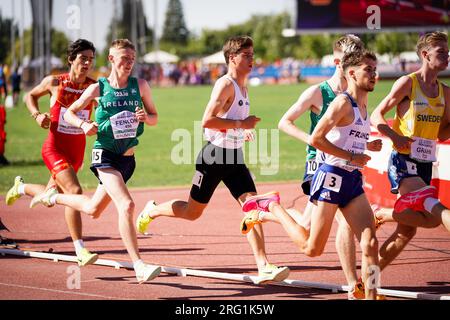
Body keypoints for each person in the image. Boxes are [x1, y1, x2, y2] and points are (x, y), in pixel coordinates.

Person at [135, 35, 290, 285]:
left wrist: (242, 130)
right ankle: (153, 210)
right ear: (232, 58)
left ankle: (263, 266)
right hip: (212, 157)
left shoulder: (243, 86)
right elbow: (207, 120)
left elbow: (227, 120)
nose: (252, 60)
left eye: (252, 55)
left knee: (253, 206)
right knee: (191, 212)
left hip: (234, 158)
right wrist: (241, 124)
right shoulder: (225, 84)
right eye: (247, 55)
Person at [242, 50, 381, 299]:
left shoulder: (363, 104)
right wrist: (351, 157)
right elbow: (317, 138)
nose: (374, 74)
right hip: (331, 177)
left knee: (370, 244)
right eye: (368, 69)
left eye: (374, 69)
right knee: (311, 248)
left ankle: (371, 295)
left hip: (352, 181)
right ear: (352, 73)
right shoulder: (341, 103)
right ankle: (273, 208)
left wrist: (366, 146)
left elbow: (348, 136)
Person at [30, 39, 162, 283]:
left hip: (128, 160)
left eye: (132, 58)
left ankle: (52, 196)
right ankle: (139, 266)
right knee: (127, 205)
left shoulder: (140, 86)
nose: (129, 63)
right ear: (111, 59)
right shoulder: (97, 89)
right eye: (124, 58)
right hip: (105, 156)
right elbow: (70, 112)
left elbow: (154, 118)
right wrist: (83, 124)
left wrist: (146, 117)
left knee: (93, 209)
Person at [5, 39, 98, 266]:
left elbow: (104, 107)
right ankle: (81, 251)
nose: (87, 63)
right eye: (83, 58)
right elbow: (30, 96)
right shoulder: (55, 82)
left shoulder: (94, 86)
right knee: (74, 192)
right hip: (54, 149)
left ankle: (22, 187)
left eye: (91, 59)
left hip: (77, 152)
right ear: (71, 59)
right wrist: (37, 115)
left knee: (50, 198)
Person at [370, 31, 450, 271]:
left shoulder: (446, 92)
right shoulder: (408, 83)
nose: (447, 56)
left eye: (448, 52)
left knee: (407, 232)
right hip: (403, 160)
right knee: (436, 210)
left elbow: (442, 134)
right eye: (441, 52)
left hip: (426, 162)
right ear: (425, 55)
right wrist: (394, 135)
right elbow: (377, 115)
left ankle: (366, 281)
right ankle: (382, 212)